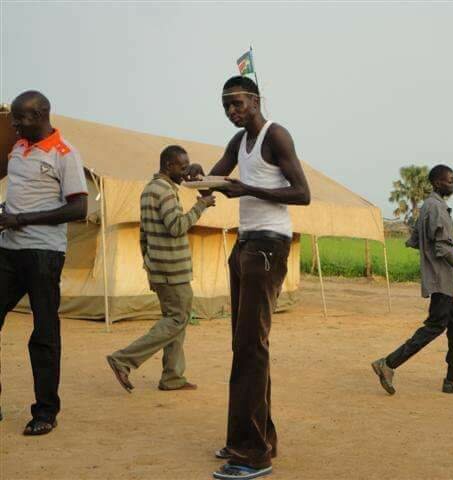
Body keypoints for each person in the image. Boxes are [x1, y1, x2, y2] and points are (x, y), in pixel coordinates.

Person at [188, 76, 310, 480]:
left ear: (256, 100)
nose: (232, 112)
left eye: (238, 104)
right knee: (243, 347)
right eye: (226, 107)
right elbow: (217, 178)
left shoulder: (276, 136)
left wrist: (248, 189)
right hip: (245, 246)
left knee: (251, 348)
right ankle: (248, 437)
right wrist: (195, 175)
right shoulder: (237, 143)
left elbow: (302, 193)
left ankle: (254, 454)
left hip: (268, 247)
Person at [0, 91, 88, 435]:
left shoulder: (65, 154)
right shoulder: (17, 149)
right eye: (13, 118)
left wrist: (23, 219)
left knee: (44, 333)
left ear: (40, 115)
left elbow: (79, 209)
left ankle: (45, 412)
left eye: (20, 118)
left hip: (43, 255)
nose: (15, 124)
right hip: (8, 250)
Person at [106, 146, 215, 393]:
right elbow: (177, 227)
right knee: (177, 319)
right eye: (182, 167)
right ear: (168, 166)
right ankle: (123, 359)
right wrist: (202, 205)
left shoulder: (149, 190)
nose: (185, 171)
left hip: (160, 268)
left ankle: (172, 377)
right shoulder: (164, 191)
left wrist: (150, 267)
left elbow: (144, 235)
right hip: (172, 271)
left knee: (176, 321)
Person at [370, 164, 453, 396]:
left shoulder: (430, 207)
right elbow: (440, 248)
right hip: (443, 281)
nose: (452, 185)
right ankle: (388, 364)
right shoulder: (436, 208)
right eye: (449, 181)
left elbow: (416, 241)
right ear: (436, 183)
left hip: (447, 282)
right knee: (434, 327)